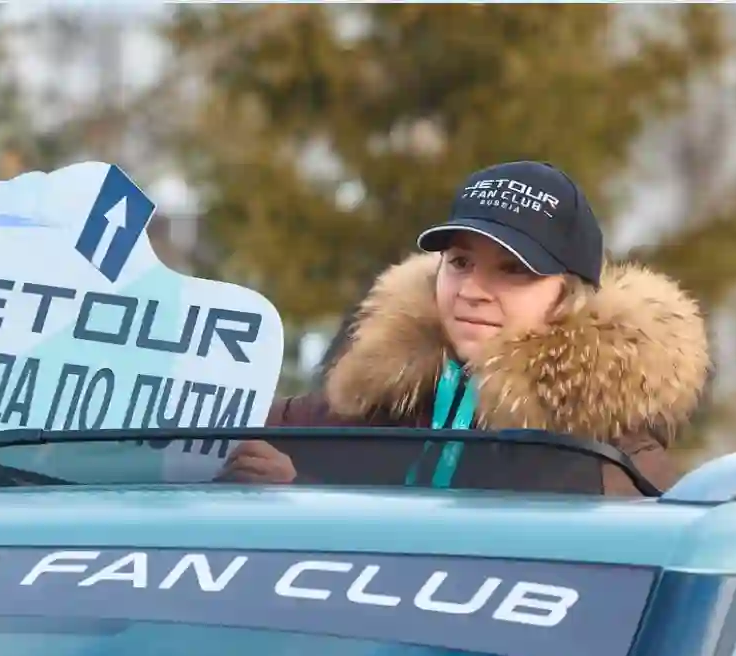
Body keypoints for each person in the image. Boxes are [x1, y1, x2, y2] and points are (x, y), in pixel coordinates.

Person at [220, 160, 710, 495]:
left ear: (568, 297)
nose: (472, 289)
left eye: (513, 270)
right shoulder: (380, 396)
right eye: (459, 262)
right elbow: (220, 423)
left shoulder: (612, 461)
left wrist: (302, 498)